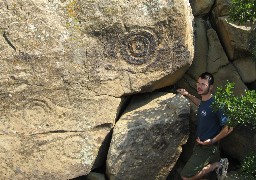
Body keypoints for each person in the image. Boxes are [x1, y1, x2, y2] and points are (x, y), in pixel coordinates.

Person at [177, 72, 233, 180]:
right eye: (198, 83)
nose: (199, 86)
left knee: (185, 176)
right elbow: (200, 104)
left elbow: (229, 127)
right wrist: (187, 94)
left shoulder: (217, 104)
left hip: (208, 148)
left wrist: (212, 141)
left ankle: (218, 164)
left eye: (203, 84)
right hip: (199, 146)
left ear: (211, 87)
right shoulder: (204, 102)